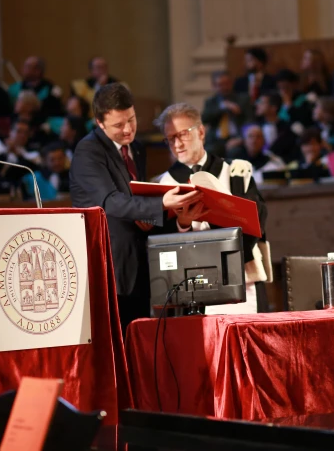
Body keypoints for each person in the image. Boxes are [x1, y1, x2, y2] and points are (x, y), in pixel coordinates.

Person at [69, 84, 202, 332]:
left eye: (131, 119)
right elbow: (109, 202)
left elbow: (135, 199)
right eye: (118, 125)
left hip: (139, 261)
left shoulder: (137, 148)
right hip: (108, 264)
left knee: (139, 339)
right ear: (100, 123)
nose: (128, 129)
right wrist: (159, 203)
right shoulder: (88, 151)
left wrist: (156, 217)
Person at [154, 102, 269, 315]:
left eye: (183, 134)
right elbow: (160, 245)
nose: (177, 144)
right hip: (189, 287)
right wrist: (183, 224)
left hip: (241, 280)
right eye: (170, 138)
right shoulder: (163, 184)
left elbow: (256, 222)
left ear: (200, 132)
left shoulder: (236, 172)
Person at [202, 71, 252, 158]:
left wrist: (240, 138)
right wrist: (222, 107)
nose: (224, 87)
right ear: (214, 86)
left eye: (227, 84)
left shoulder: (243, 99)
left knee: (235, 153)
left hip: (236, 138)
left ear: (231, 84)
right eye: (220, 85)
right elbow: (205, 118)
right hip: (216, 140)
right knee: (209, 153)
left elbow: (250, 121)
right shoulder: (211, 101)